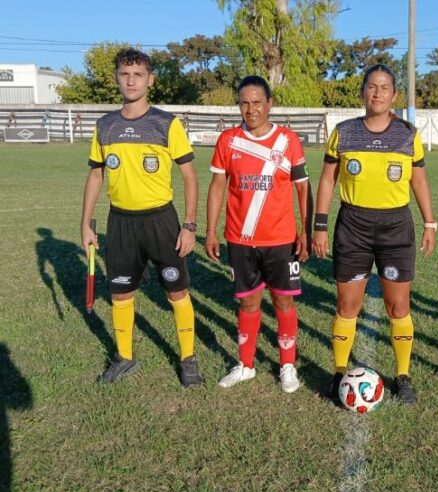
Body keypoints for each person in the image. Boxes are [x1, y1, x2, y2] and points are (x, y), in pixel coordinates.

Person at [312, 64, 436, 405]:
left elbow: (419, 181)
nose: (378, 93)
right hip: (353, 224)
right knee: (347, 304)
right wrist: (320, 225)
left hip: (396, 226)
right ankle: (339, 371)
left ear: (394, 95)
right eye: (372, 86)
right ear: (363, 92)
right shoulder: (344, 132)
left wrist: (430, 222)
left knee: (398, 306)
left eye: (384, 88)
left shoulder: (408, 134)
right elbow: (327, 180)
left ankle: (403, 374)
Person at [81, 48, 202, 387]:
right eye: (124, 74)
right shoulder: (104, 126)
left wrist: (190, 225)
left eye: (138, 74)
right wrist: (86, 223)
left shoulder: (166, 123)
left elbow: (190, 177)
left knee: (176, 291)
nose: (131, 80)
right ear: (117, 78)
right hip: (120, 223)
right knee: (120, 294)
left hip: (160, 221)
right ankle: (124, 357)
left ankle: (188, 358)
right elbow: (95, 175)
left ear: (150, 80)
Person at [205, 75, 311, 393]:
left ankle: (287, 365)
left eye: (257, 102)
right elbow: (217, 187)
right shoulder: (228, 141)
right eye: (244, 102)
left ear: (269, 103)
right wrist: (210, 231)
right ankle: (246, 365)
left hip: (281, 240)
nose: (250, 109)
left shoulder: (288, 141)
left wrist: (306, 231)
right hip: (241, 239)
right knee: (249, 304)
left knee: (283, 304)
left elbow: (303, 187)